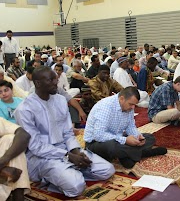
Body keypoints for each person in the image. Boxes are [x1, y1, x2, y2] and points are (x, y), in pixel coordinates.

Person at [15, 66, 115, 198]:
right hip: (42, 158)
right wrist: (67, 156)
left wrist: (75, 151)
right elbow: (36, 147)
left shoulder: (60, 100)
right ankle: (55, 177)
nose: (56, 82)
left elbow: (68, 133)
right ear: (38, 83)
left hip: (66, 149)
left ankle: (69, 172)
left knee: (108, 170)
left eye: (55, 79)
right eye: (50, 80)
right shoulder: (24, 109)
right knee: (76, 187)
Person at [84, 87, 167, 169]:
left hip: (117, 138)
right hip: (96, 143)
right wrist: (125, 140)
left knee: (149, 137)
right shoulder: (105, 107)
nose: (133, 108)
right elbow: (99, 135)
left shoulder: (128, 107)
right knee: (112, 146)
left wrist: (137, 136)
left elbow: (130, 125)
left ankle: (126, 155)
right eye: (131, 104)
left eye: (135, 105)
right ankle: (144, 153)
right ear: (122, 99)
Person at [0, 108, 31, 201]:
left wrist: (3, 161)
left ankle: (18, 193)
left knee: (10, 139)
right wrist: (1, 169)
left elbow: (23, 134)